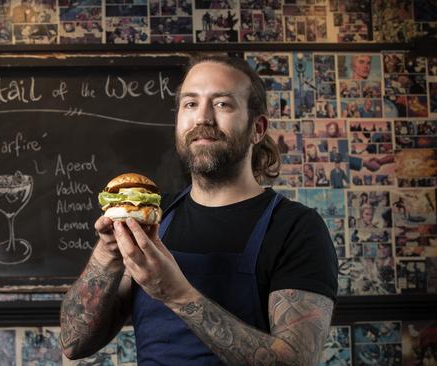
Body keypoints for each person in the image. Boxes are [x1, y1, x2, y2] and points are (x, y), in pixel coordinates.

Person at [60, 56, 337, 365]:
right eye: (190, 104)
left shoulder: (295, 228)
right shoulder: (156, 217)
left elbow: (297, 362)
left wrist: (177, 295)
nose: (202, 118)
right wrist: (107, 254)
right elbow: (74, 343)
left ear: (257, 128)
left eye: (222, 104)